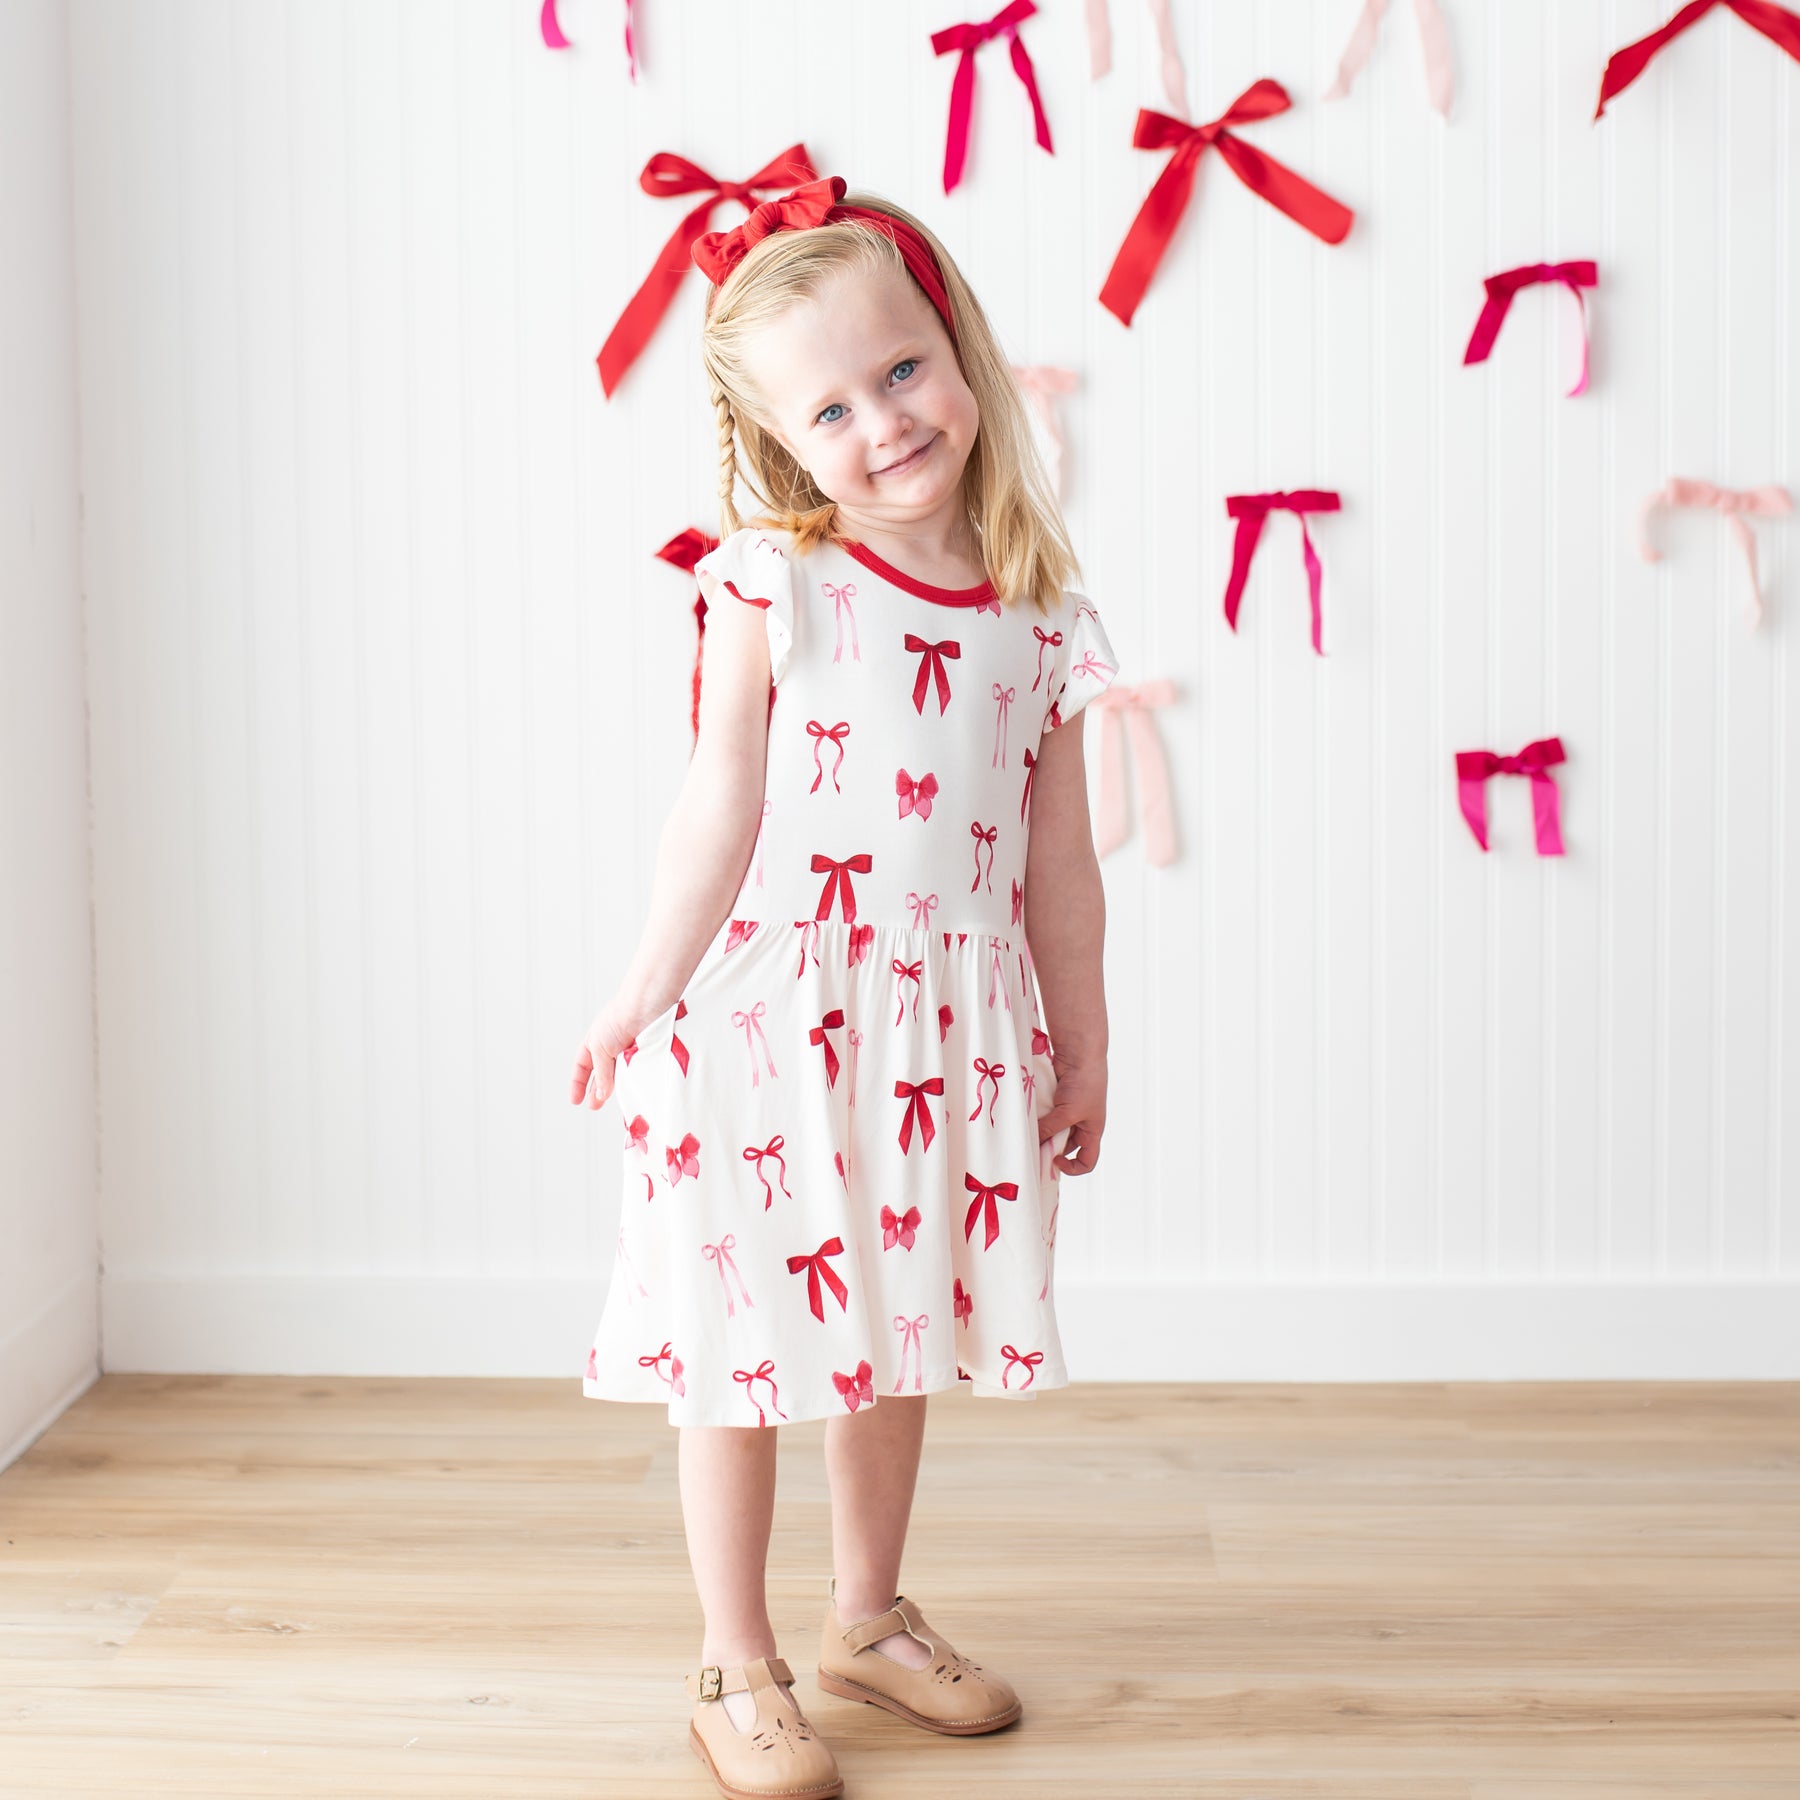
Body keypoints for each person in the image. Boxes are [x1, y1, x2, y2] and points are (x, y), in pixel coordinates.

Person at [568, 175, 1117, 1800]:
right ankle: (734, 1661)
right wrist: (641, 990)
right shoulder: (775, 581)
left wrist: (1082, 1044)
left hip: (944, 1038)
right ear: (780, 445)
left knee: (896, 1327)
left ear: (958, 354)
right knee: (743, 1346)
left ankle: (867, 1619)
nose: (884, 423)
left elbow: (1061, 867)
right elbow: (718, 804)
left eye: (902, 371)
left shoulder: (1043, 616)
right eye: (831, 409)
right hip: (766, 1020)